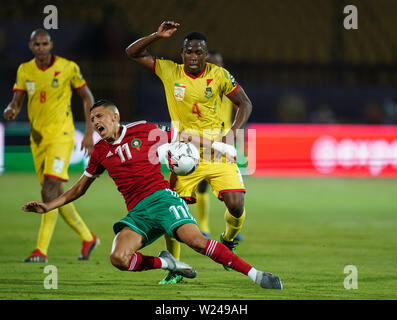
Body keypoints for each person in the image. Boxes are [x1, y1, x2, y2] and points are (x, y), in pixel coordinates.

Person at [21, 100, 282, 290]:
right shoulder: (100, 153)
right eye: (91, 120)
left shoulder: (143, 130)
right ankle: (167, 263)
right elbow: (80, 187)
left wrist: (218, 146)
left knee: (197, 243)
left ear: (115, 117)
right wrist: (48, 206)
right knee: (118, 258)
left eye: (99, 116)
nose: (95, 122)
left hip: (163, 198)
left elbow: (186, 135)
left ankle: (256, 275)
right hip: (138, 214)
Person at [126, 21, 253, 283]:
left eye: (198, 52)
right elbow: (132, 53)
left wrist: (232, 133)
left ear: (205, 54)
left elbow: (244, 103)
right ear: (182, 53)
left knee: (236, 204)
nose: (193, 57)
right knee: (174, 210)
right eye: (189, 52)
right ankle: (175, 268)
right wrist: (156, 36)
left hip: (216, 151)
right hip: (183, 153)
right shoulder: (169, 71)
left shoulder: (218, 75)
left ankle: (228, 241)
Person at [3, 29, 99, 262]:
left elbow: (88, 97)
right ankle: (88, 238)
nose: (41, 47)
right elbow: (17, 101)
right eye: (37, 44)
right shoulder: (25, 70)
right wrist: (11, 110)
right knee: (54, 194)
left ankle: (41, 251)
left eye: (45, 43)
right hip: (37, 139)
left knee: (47, 190)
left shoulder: (68, 67)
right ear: (31, 46)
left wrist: (89, 132)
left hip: (62, 135)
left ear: (51, 44)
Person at [195, 50, 242, 241]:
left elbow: (241, 107)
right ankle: (203, 226)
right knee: (203, 185)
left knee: (231, 187)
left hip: (226, 140)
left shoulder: (228, 87)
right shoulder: (201, 87)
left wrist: (234, 132)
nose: (215, 67)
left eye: (218, 64)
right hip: (205, 139)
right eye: (211, 63)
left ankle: (232, 226)